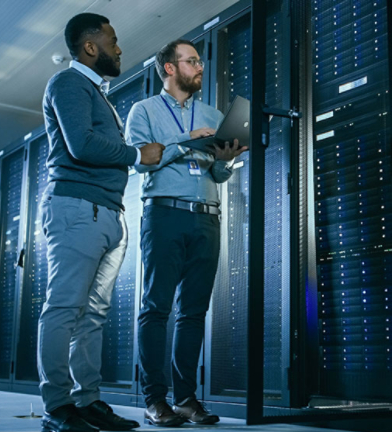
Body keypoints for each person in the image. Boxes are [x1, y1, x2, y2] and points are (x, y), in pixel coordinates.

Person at [38, 13, 164, 432]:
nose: (119, 47)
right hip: (77, 207)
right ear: (90, 47)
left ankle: (86, 400)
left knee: (93, 314)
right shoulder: (68, 83)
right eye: (112, 40)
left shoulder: (96, 91)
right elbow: (81, 144)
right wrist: (135, 154)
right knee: (64, 308)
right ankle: (58, 407)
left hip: (107, 213)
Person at [125, 39, 248, 427]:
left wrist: (225, 162)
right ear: (169, 68)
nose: (199, 67)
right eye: (191, 61)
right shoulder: (142, 111)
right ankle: (154, 399)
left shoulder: (210, 112)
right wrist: (186, 140)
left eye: (199, 61)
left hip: (206, 218)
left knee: (194, 312)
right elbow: (143, 163)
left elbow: (215, 173)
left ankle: (186, 398)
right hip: (164, 215)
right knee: (156, 307)